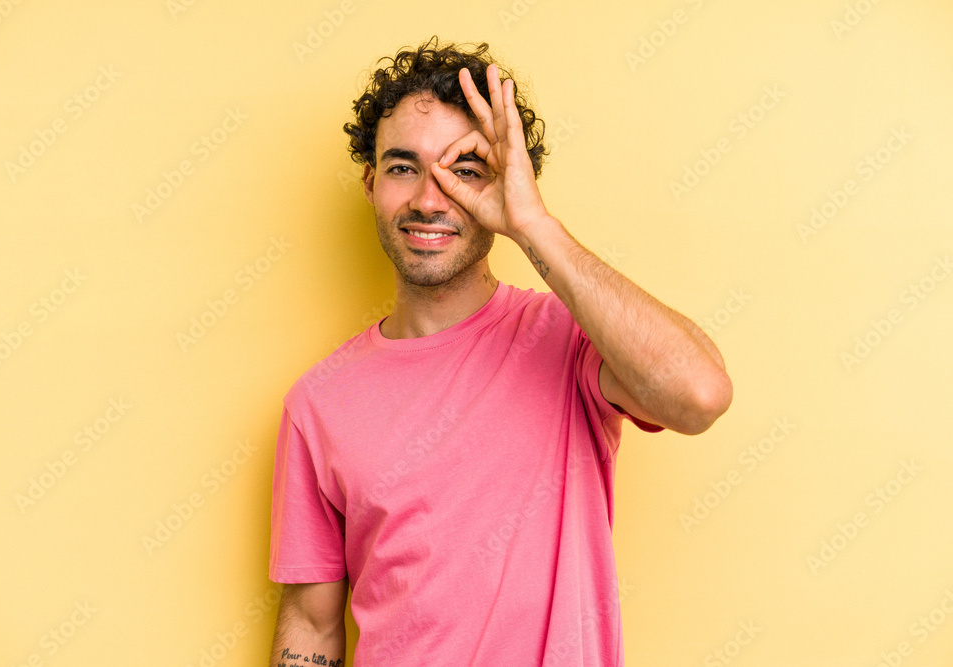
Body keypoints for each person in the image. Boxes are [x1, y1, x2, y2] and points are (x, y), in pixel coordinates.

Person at [267, 36, 732, 666]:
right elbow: (311, 623)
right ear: (372, 183)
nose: (430, 200)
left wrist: (532, 222)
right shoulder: (317, 403)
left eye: (465, 170)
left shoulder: (570, 342)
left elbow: (699, 394)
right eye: (404, 167)